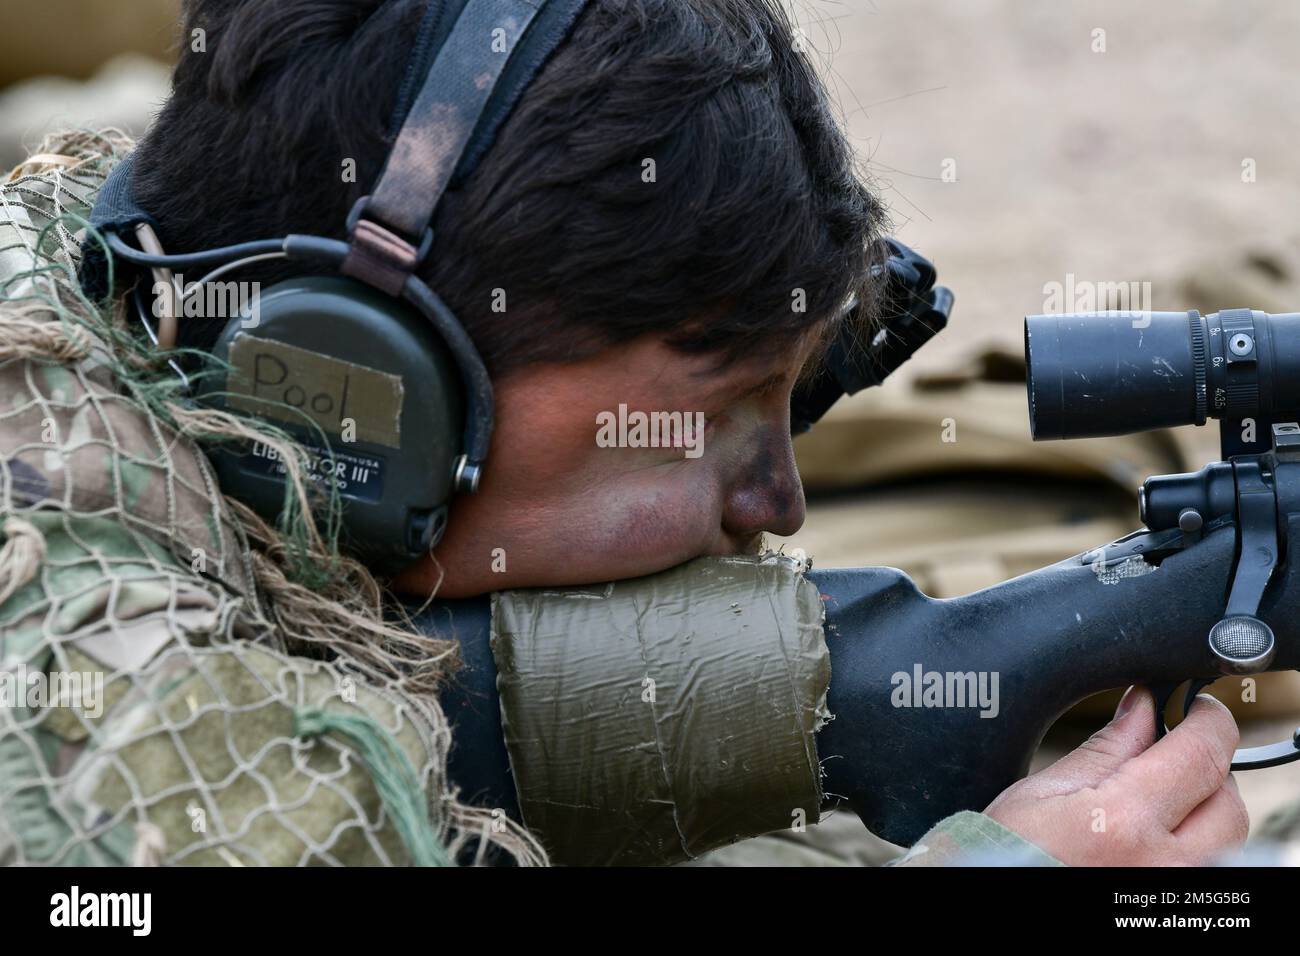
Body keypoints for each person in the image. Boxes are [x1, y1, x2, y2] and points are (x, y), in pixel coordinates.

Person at [0, 0, 1249, 866]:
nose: (777, 506)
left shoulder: (157, 296)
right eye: (708, 421)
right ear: (356, 397)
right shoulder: (108, 725)